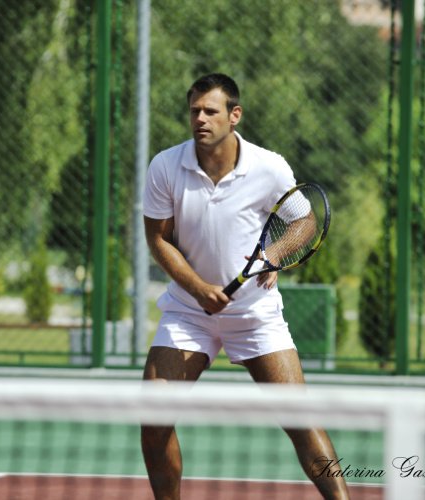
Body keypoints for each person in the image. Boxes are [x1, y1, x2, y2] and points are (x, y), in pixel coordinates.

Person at [141, 73, 350, 500]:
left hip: (255, 315)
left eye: (211, 111)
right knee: (153, 417)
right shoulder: (165, 165)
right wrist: (200, 289)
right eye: (194, 111)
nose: (200, 118)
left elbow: (304, 220)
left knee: (301, 421)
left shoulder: (268, 166)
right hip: (188, 313)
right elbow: (158, 238)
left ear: (234, 116)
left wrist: (273, 256)